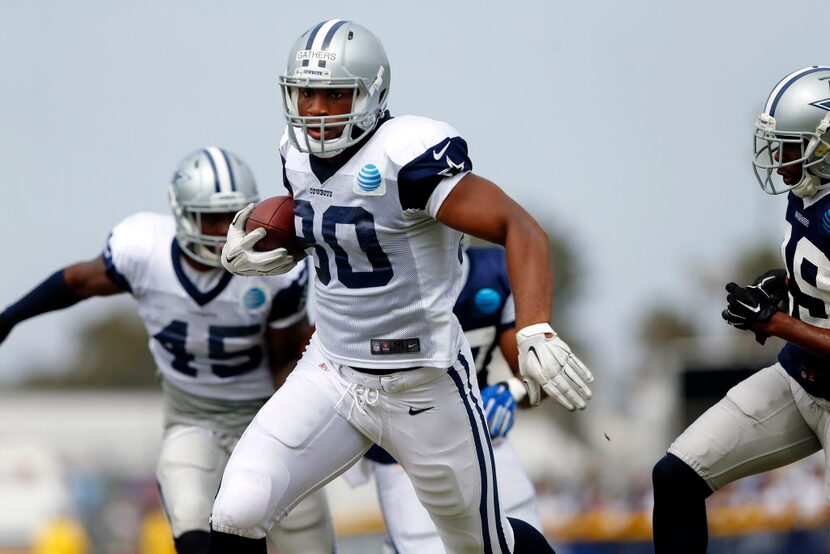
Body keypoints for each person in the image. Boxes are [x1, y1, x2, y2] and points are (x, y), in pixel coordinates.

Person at [213, 20, 594, 554]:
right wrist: (284, 247)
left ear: (371, 93)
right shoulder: (295, 155)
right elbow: (335, 226)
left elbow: (520, 227)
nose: (317, 109)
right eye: (307, 92)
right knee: (237, 509)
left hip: (423, 382)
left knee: (481, 547)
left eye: (334, 93)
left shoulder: (407, 155)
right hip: (332, 372)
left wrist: (535, 328)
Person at [0, 147, 335, 554]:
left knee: (307, 536)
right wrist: (9, 318)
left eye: (227, 217)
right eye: (207, 217)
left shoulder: (273, 269)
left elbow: (285, 363)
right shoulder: (143, 249)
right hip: (193, 416)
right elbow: (78, 282)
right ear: (181, 214)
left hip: (265, 415)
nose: (217, 231)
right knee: (190, 512)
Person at [652, 66, 830, 554]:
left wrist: (778, 323)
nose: (779, 157)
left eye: (791, 144)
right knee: (675, 476)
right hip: (801, 382)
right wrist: (780, 285)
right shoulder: (810, 192)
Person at [359, 245, 543, 553]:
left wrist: (512, 391)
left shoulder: (493, 272)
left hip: (483, 437)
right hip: (402, 451)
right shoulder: (373, 282)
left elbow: (538, 374)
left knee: (521, 537)